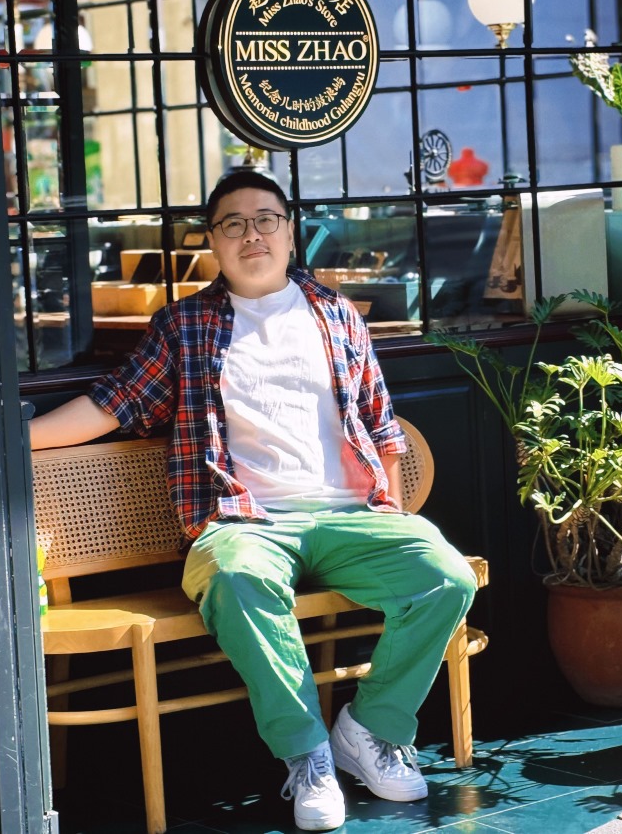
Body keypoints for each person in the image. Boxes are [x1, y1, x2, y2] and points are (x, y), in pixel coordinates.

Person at [30, 171, 477, 832]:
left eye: (266, 219)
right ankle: (309, 755)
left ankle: (371, 728)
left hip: (349, 514)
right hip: (243, 521)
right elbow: (112, 404)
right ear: (213, 241)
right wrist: (13, 439)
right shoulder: (185, 324)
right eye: (233, 223)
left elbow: (381, 425)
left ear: (291, 232)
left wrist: (391, 508)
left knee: (446, 576)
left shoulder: (336, 314)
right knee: (236, 579)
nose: (252, 235)